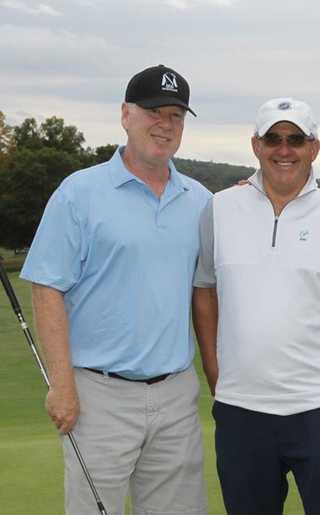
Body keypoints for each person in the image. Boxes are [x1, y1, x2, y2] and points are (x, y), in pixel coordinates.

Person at [19, 65, 210, 514]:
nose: (165, 124)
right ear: (125, 114)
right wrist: (62, 385)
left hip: (176, 395)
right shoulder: (78, 193)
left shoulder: (201, 201)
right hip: (98, 397)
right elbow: (47, 290)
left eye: (176, 116)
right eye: (153, 111)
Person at [192, 97, 320, 515]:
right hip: (241, 410)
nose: (285, 149)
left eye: (296, 139)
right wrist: (214, 371)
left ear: (314, 147)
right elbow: (205, 291)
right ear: (255, 145)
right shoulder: (220, 208)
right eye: (274, 139)